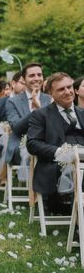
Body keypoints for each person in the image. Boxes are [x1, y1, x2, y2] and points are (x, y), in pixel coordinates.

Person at [27, 72, 82, 215]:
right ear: (51, 93)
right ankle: (79, 225)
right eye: (61, 89)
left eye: (69, 87)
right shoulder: (41, 115)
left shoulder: (82, 113)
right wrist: (60, 153)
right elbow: (32, 143)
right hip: (56, 164)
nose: (67, 92)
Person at [4, 62, 51, 165]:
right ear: (24, 80)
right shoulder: (12, 101)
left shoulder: (50, 99)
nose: (36, 78)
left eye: (39, 75)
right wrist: (35, 112)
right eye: (31, 75)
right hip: (20, 144)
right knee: (36, 151)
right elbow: (16, 128)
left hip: (47, 143)